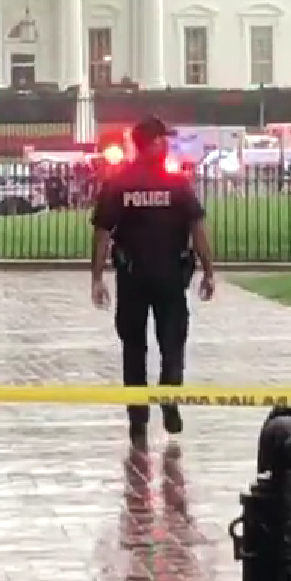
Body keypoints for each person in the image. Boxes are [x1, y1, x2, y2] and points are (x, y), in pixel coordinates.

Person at [91, 117, 217, 440]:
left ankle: (138, 416)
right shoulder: (176, 183)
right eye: (164, 139)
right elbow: (197, 229)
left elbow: (102, 233)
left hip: (132, 277)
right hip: (171, 277)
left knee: (134, 348)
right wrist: (208, 271)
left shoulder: (119, 181)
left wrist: (97, 277)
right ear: (155, 141)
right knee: (172, 343)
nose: (168, 145)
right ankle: (169, 395)